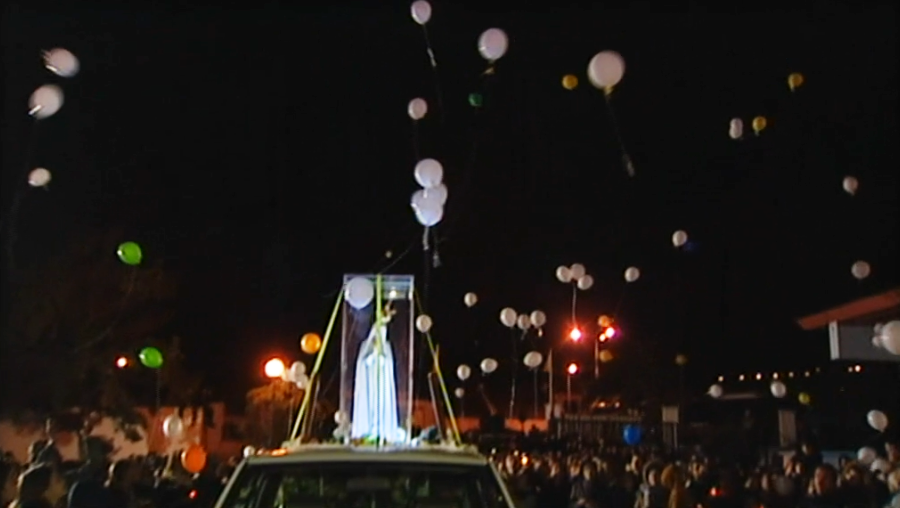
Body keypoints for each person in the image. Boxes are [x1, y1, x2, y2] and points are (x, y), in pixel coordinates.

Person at [351, 302, 403, 442]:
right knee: (370, 405)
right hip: (369, 382)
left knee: (380, 405)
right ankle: (366, 432)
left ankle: (384, 433)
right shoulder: (365, 346)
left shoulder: (386, 347)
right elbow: (362, 363)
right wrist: (372, 356)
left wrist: (381, 357)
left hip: (381, 383)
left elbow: (388, 364)